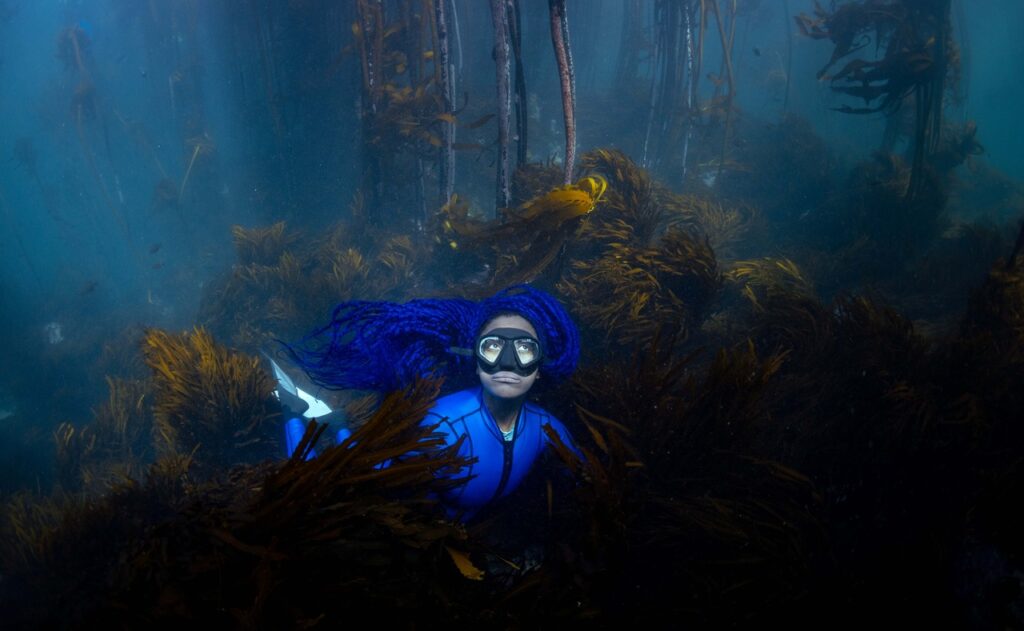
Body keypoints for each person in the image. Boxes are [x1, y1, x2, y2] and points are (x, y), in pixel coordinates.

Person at [279, 284, 581, 522]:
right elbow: (364, 483)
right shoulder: (444, 427)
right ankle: (293, 413)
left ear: (541, 367)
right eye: (492, 347)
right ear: (475, 361)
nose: (507, 364)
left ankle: (341, 422)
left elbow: (582, 473)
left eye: (525, 350)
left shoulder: (545, 427)